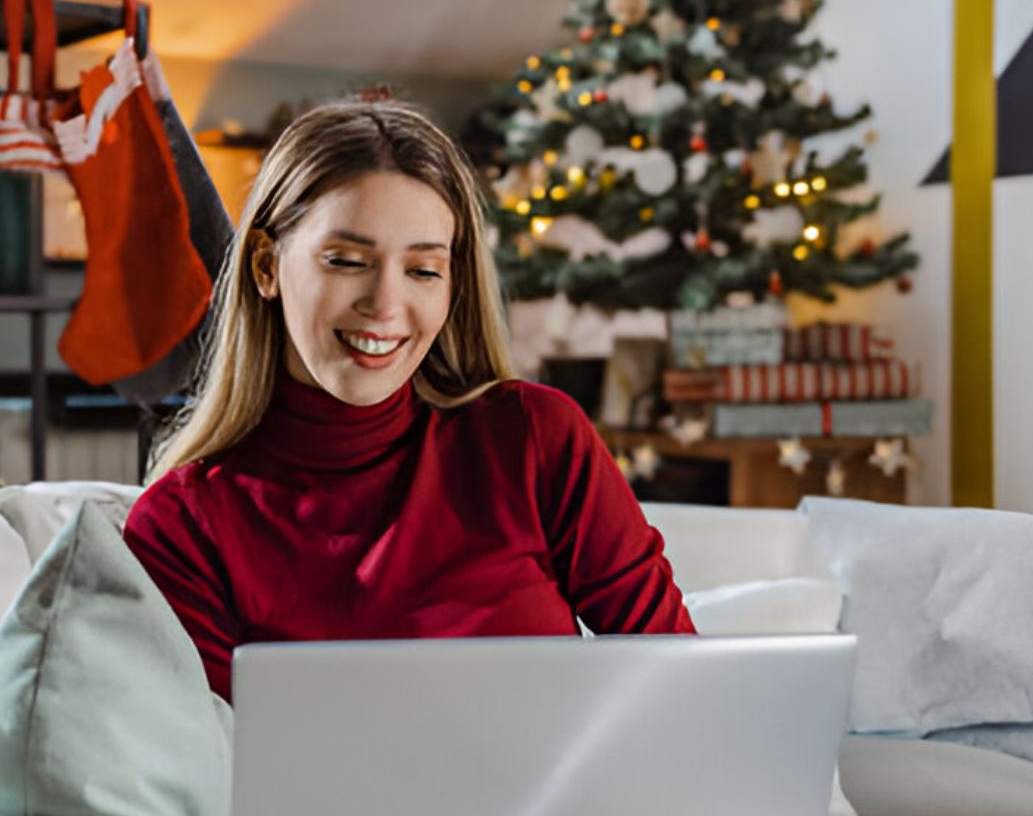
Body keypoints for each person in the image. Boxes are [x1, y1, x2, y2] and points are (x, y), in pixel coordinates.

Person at [122, 97, 696, 702]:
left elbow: (682, 682)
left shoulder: (534, 438)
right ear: (266, 265)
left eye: (422, 270)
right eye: (346, 261)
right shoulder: (182, 526)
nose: (385, 304)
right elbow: (217, 775)